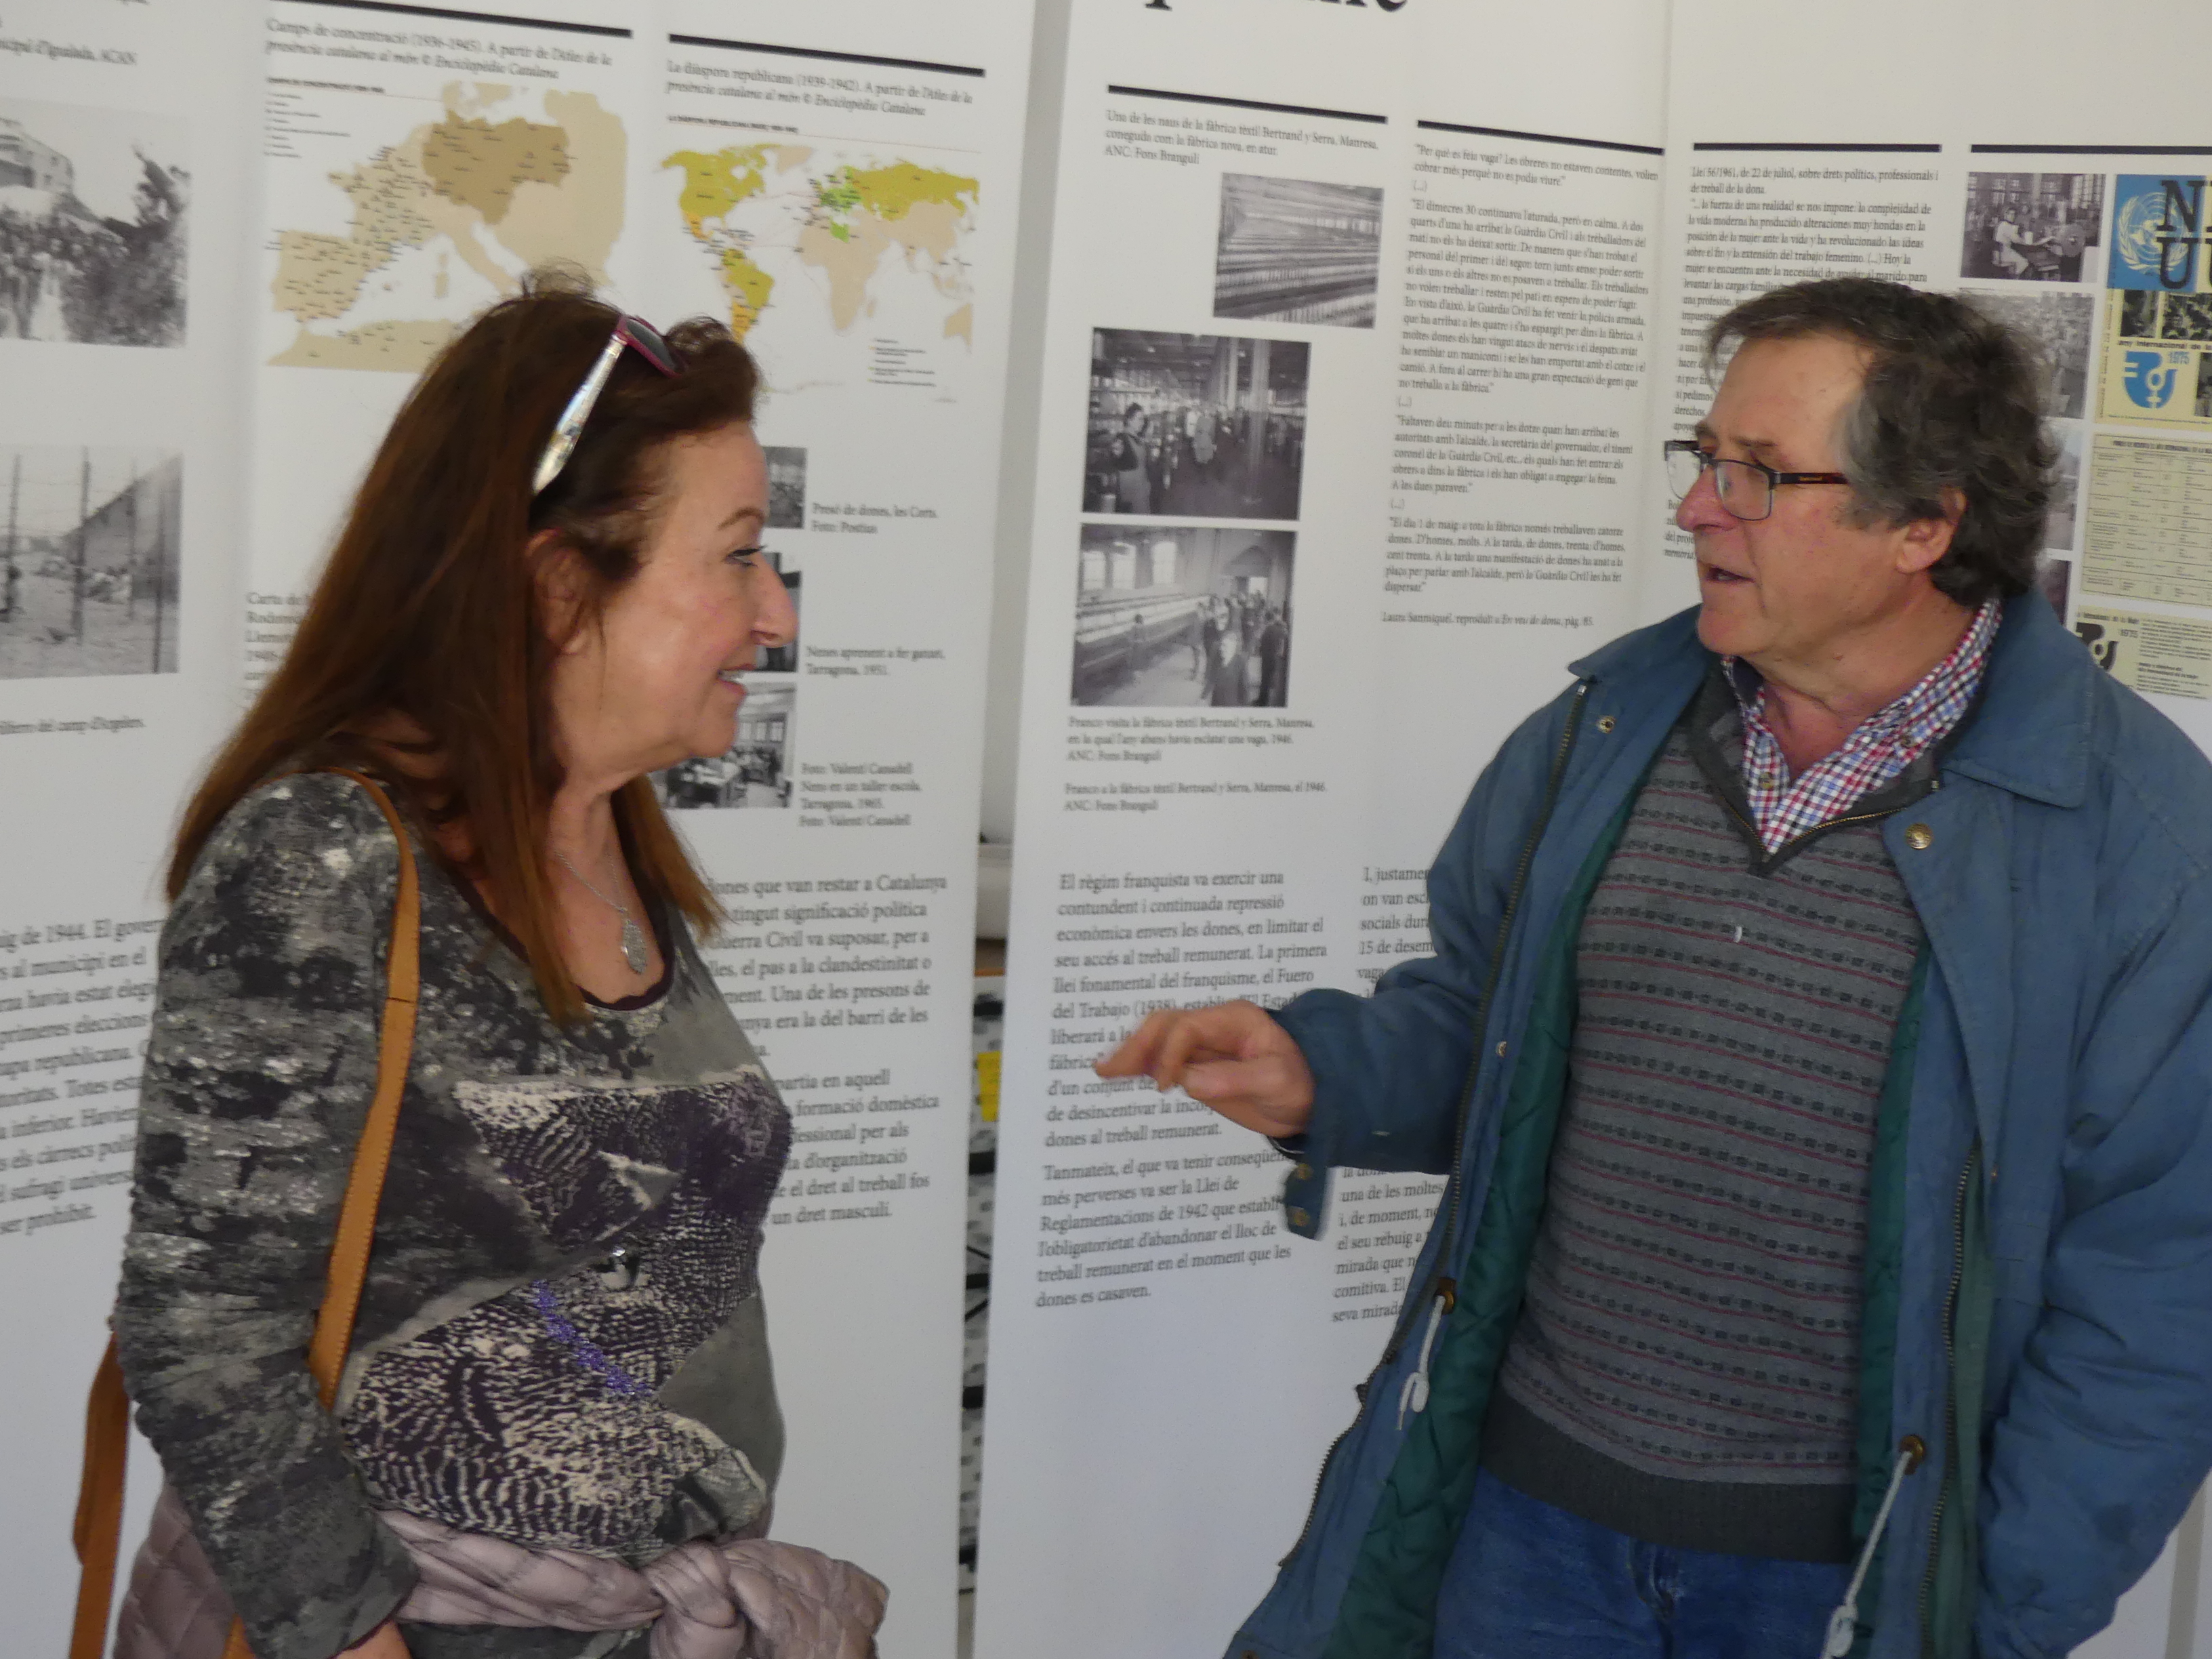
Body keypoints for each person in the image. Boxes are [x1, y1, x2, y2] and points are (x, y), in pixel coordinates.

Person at [1102, 276, 2212, 1659]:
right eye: (1703, 459)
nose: (1695, 509)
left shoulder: (2138, 844)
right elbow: (1488, 1025)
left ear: (1923, 524)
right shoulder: (1602, 732)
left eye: (1758, 475)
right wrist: (1325, 1069)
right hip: (1522, 1530)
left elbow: (2158, 1301)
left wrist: (1988, 1620)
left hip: (1844, 1583)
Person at [112, 272, 884, 1659]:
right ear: (559, 586)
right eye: (736, 556)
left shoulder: (605, 835)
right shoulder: (324, 858)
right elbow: (205, 1335)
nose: (773, 612)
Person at [1109, 404, 1151, 514]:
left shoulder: (1139, 440)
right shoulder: (1121, 440)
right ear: (1129, 420)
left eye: (1143, 420)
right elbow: (1114, 461)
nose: (1143, 423)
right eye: (1140, 419)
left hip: (1142, 493)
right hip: (1130, 498)